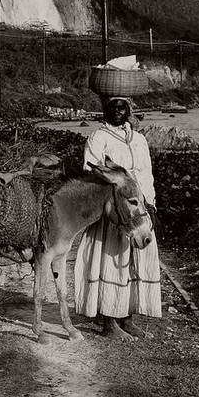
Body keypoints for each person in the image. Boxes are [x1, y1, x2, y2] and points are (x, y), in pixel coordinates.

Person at [74, 96, 162, 341]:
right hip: (114, 209)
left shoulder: (139, 139)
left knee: (137, 258)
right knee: (110, 260)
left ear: (129, 110)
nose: (117, 112)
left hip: (139, 208)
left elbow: (147, 174)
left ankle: (128, 317)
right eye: (112, 107)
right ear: (105, 110)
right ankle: (109, 321)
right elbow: (89, 170)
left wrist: (150, 202)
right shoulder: (99, 137)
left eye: (122, 107)